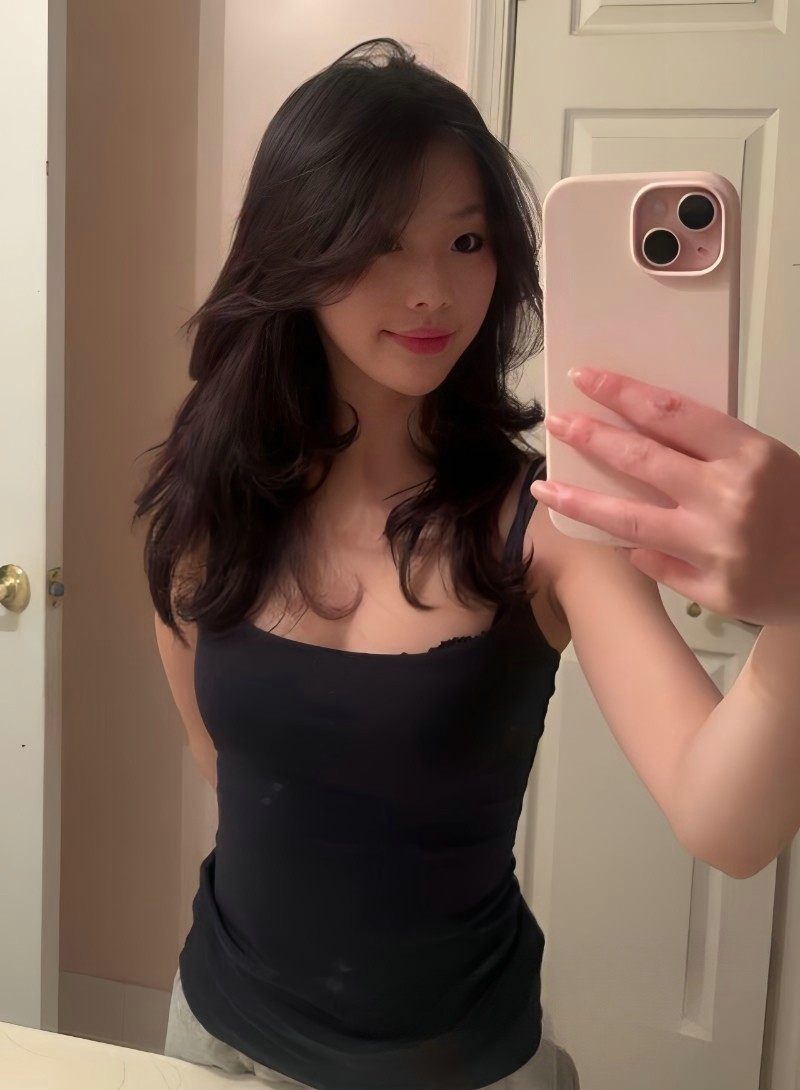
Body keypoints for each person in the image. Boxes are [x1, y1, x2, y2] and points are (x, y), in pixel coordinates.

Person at [136, 36, 800, 1090]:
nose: (431, 292)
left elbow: (728, 825)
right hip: (216, 1037)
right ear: (296, 250)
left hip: (461, 1065)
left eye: (465, 240)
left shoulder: (546, 528)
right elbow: (225, 760)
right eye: (380, 245)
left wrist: (797, 606)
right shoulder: (210, 505)